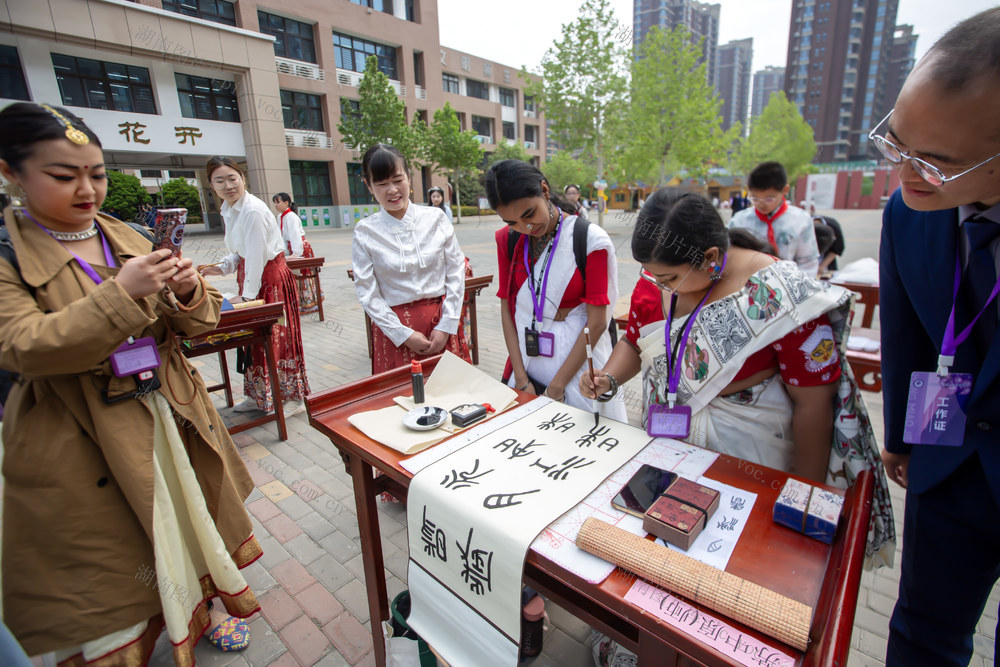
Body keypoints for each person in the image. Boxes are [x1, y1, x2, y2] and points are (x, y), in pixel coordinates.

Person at [0, 103, 261, 664]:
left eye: (95, 173)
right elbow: (22, 346)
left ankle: (203, 609)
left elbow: (196, 323)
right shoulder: (7, 255)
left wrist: (190, 291)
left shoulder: (133, 235)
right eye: (63, 176)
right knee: (115, 554)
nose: (87, 189)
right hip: (84, 435)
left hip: (169, 412)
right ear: (11, 173)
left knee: (189, 522)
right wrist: (121, 294)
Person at [581, 187, 894, 562]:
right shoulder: (658, 279)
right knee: (663, 537)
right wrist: (609, 378)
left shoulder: (778, 293)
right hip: (668, 437)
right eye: (653, 276)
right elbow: (636, 342)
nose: (658, 285)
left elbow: (814, 404)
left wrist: (801, 494)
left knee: (739, 548)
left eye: (668, 278)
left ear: (710, 257)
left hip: (750, 446)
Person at [876, 9, 1000, 665]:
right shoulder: (907, 211)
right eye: (896, 143)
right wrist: (901, 435)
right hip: (945, 456)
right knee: (923, 628)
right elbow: (904, 332)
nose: (906, 170)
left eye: (935, 161)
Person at [487, 159, 626, 420]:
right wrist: (520, 377)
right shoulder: (507, 239)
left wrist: (557, 387)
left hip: (579, 369)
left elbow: (597, 323)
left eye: (529, 214)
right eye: (513, 222)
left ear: (545, 190)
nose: (526, 228)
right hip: (528, 366)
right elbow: (507, 307)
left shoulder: (588, 239)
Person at [199, 157, 310, 415]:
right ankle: (258, 394)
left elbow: (258, 256)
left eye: (232, 178)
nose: (228, 185)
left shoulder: (253, 210)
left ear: (242, 178)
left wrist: (247, 299)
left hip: (270, 280)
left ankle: (289, 398)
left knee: (276, 337)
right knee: (253, 341)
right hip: (252, 276)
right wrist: (222, 267)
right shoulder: (229, 209)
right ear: (211, 185)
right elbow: (242, 252)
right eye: (220, 181)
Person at [352, 143, 470, 373]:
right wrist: (402, 334)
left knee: (452, 397)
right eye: (382, 183)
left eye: (397, 180)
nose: (392, 190)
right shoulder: (365, 231)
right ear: (368, 185)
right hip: (396, 333)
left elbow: (456, 273)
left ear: (409, 177)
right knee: (402, 401)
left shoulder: (435, 218)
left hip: (441, 325)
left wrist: (447, 325)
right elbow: (367, 293)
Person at [729, 162, 820, 274]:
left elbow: (807, 262)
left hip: (788, 284)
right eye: (755, 198)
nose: (761, 204)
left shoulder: (801, 220)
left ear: (785, 190)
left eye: (769, 198)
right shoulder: (739, 220)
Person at [271, 192, 322, 315]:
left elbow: (295, 236)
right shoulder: (280, 217)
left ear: (286, 203)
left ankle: (309, 303)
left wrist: (296, 253)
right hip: (290, 248)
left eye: (278, 202)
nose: (276, 205)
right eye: (275, 203)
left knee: (304, 273)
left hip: (300, 248)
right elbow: (281, 236)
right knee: (294, 276)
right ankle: (298, 302)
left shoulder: (291, 217)